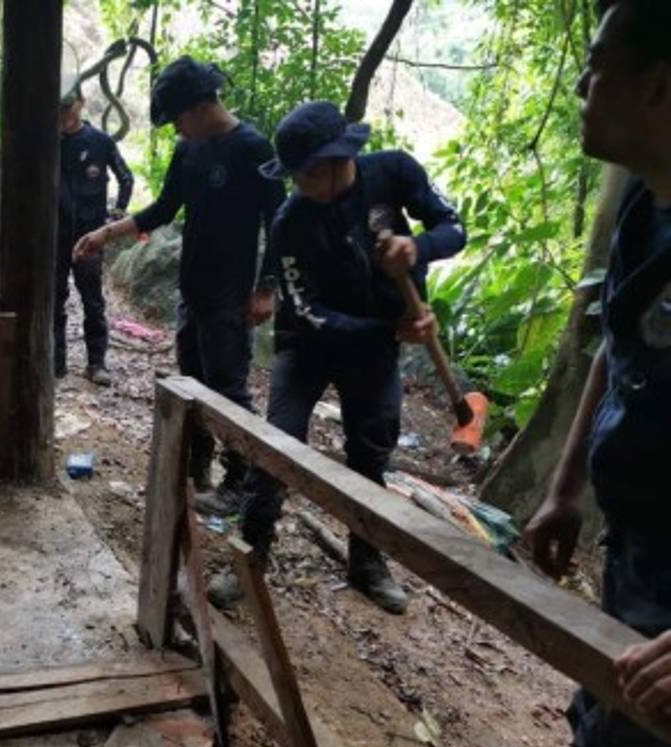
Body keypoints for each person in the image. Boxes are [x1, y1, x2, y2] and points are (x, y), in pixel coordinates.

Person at [525, 1, 671, 747]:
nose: (581, 86)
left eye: (598, 65)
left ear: (658, 87)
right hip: (639, 557)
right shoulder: (645, 213)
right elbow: (618, 348)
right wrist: (566, 480)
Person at [215, 100, 466, 614]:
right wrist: (389, 331)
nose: (299, 185)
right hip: (309, 345)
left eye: (305, 174)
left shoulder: (393, 172)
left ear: (334, 161)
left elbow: (453, 227)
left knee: (371, 451)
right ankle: (249, 551)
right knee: (278, 441)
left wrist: (417, 249)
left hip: (377, 348)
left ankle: (366, 560)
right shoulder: (292, 222)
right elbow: (309, 310)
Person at [74, 57, 285, 512]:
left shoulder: (253, 147)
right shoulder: (189, 150)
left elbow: (279, 222)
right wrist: (106, 234)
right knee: (192, 382)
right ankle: (195, 471)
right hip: (193, 287)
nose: (176, 130)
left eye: (177, 120)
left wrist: (267, 287)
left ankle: (239, 481)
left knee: (229, 389)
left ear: (200, 106)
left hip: (232, 291)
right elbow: (165, 207)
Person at [55, 84, 134, 385]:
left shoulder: (99, 141)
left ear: (81, 103)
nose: (63, 113)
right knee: (54, 298)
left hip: (89, 235)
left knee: (92, 300)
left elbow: (126, 177)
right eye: (59, 107)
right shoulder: (48, 141)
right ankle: (56, 361)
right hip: (56, 234)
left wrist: (115, 216)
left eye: (68, 106)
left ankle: (97, 363)